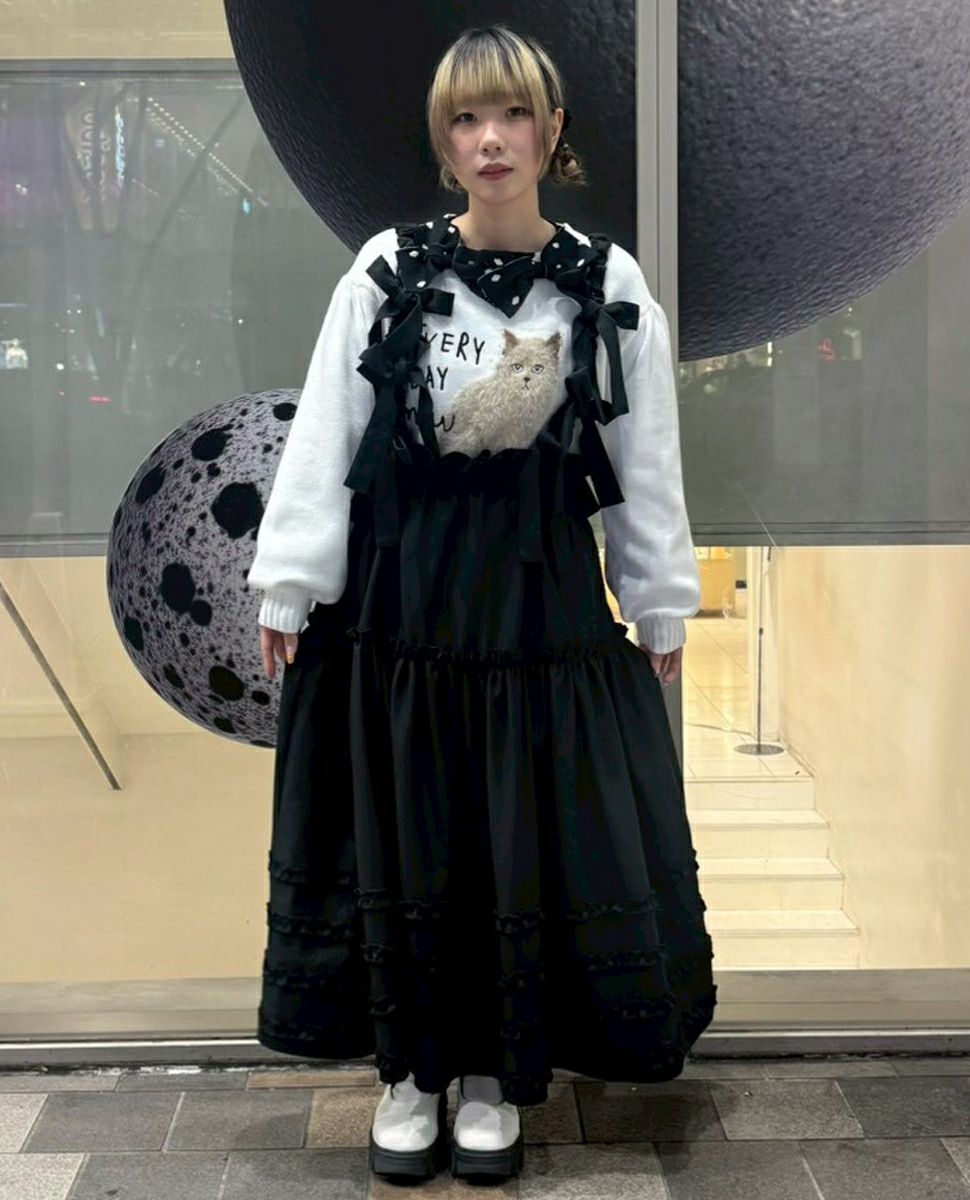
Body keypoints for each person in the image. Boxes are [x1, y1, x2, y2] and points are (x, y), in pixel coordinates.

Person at [247, 22, 716, 1185]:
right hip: (400, 603)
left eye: (511, 114)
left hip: (534, 602)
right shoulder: (387, 269)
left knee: (515, 831)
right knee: (411, 829)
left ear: (551, 132)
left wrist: (659, 597)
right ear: (443, 141)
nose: (491, 138)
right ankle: (410, 1075)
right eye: (466, 118)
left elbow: (644, 453)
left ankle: (499, 1078)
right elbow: (328, 428)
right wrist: (291, 581)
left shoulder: (604, 282)